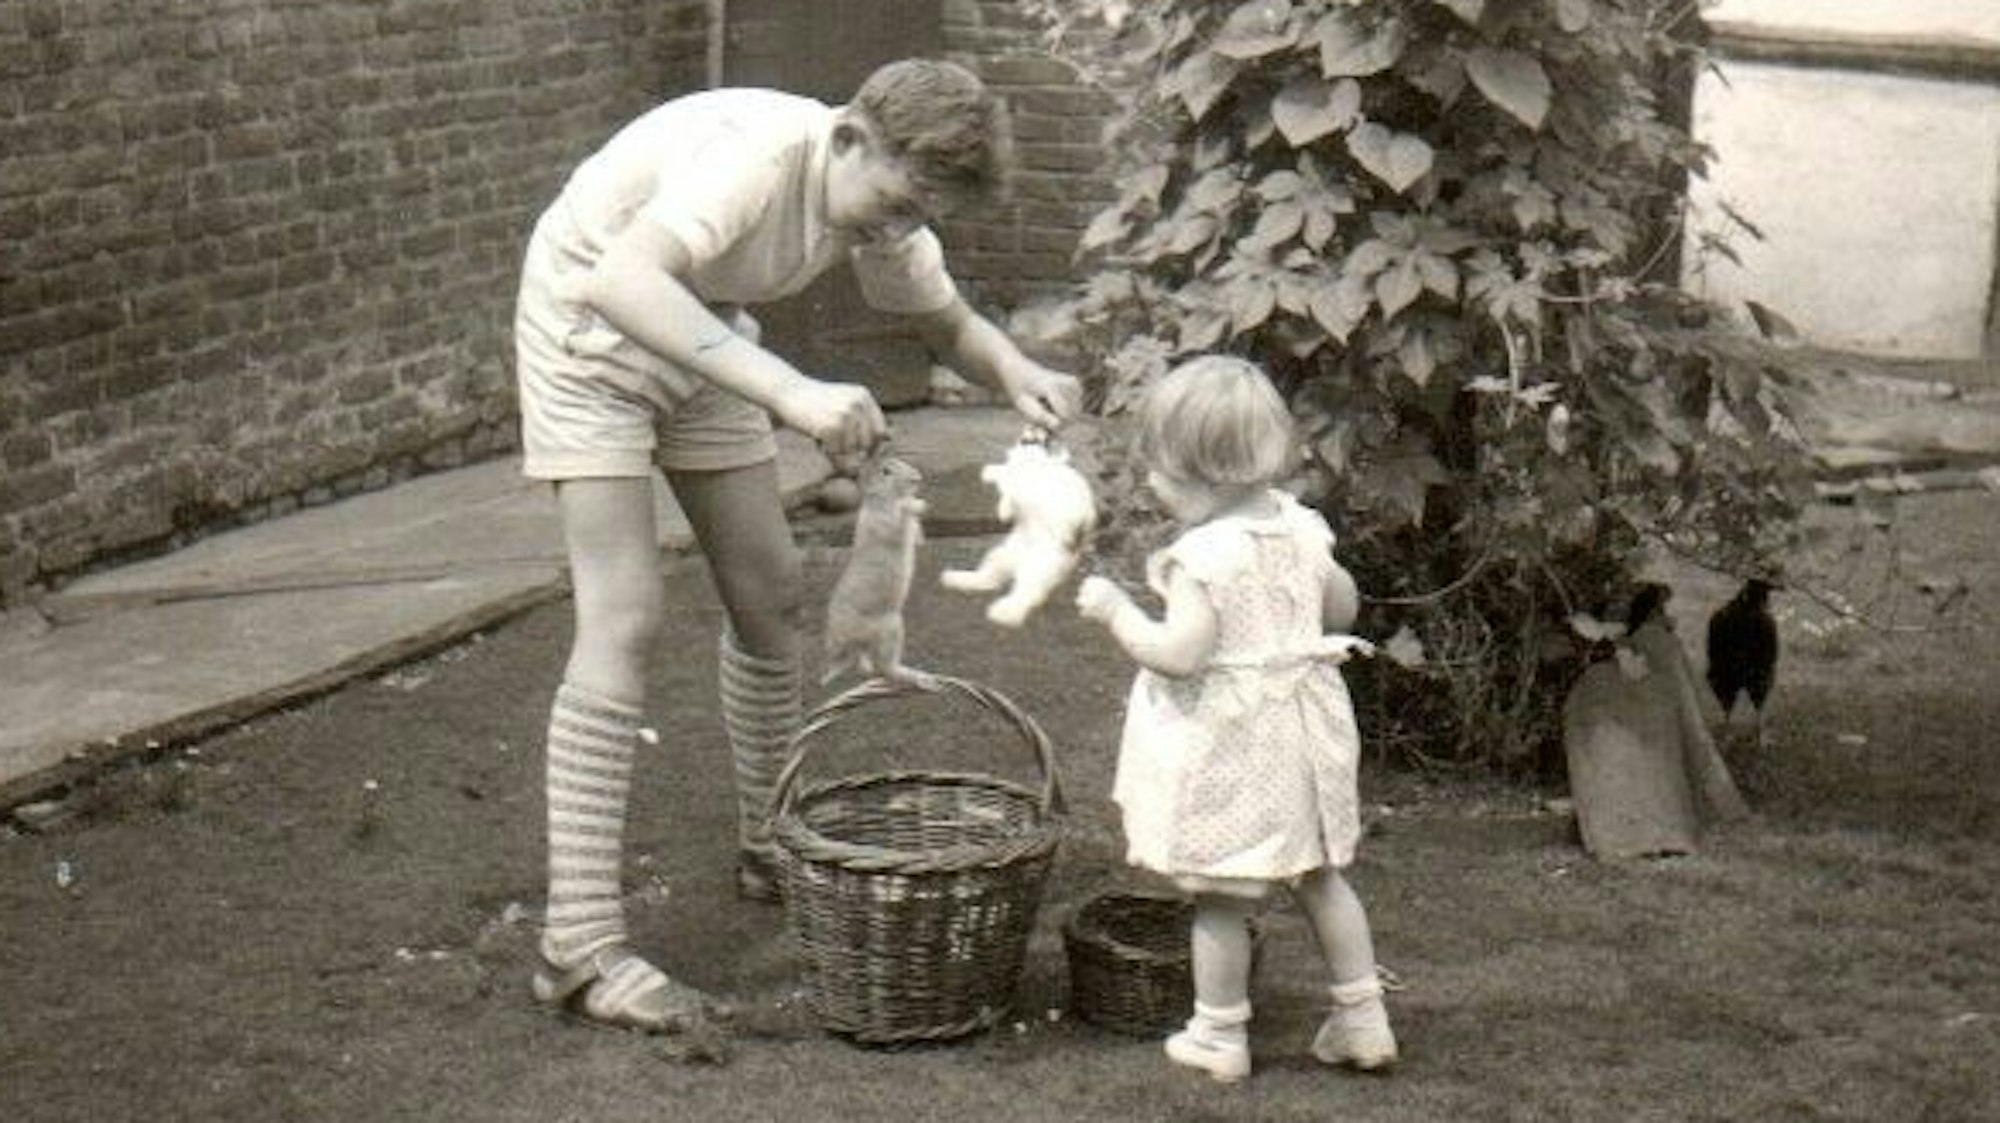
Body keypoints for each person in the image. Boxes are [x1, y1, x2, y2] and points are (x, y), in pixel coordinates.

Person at [514, 59, 1082, 1032]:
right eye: (896, 203)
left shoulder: (879, 206)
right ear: (851, 138)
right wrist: (791, 392)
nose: (897, 231)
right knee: (624, 614)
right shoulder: (757, 159)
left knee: (771, 591)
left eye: (918, 216)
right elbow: (621, 278)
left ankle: (767, 844)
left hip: (698, 331)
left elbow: (941, 320)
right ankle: (579, 943)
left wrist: (1014, 369)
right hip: (590, 328)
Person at [1075, 356, 1395, 1082]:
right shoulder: (1302, 527)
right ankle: (1362, 1018)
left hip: (1238, 739)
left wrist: (1118, 611)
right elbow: (1339, 609)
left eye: (1159, 471)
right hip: (1304, 728)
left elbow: (1180, 655)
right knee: (1319, 875)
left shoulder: (1202, 556)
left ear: (1207, 472)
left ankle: (1220, 1034)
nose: (1151, 484)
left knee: (1219, 895)